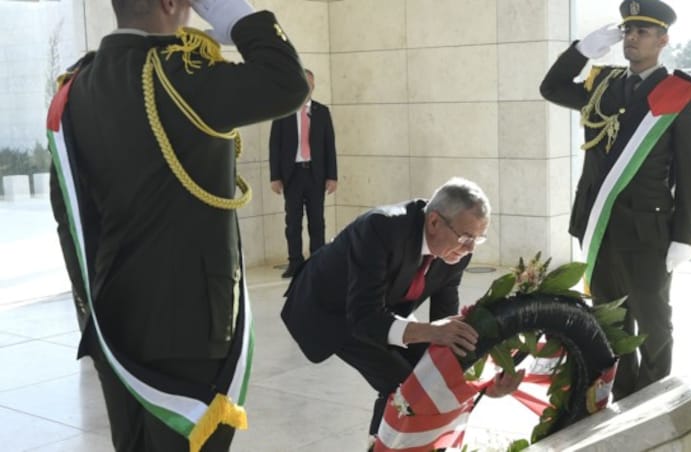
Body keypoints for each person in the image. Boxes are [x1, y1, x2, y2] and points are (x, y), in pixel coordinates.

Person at [48, 0, 309, 449]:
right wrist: (233, 13)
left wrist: (91, 313)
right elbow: (288, 83)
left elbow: (67, 215)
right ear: (172, 3)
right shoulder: (181, 73)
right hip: (190, 321)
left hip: (113, 315)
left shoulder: (76, 88)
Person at [539, 0, 691, 401]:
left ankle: (651, 402)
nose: (632, 38)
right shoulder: (603, 84)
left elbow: (690, 174)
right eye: (628, 31)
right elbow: (551, 88)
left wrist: (683, 236)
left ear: (663, 40)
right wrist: (581, 52)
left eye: (643, 32)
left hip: (648, 232)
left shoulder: (682, 94)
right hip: (599, 226)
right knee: (609, 321)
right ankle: (619, 397)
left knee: (652, 324)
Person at [280, 177, 523, 447]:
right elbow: (364, 318)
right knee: (403, 381)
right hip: (331, 308)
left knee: (421, 371)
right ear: (434, 222)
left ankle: (384, 445)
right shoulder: (381, 227)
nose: (469, 249)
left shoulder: (457, 252)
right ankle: (382, 447)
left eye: (478, 240)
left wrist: (484, 383)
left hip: (381, 306)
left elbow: (445, 329)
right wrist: (430, 332)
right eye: (466, 238)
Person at [269, 69, 338, 278]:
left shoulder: (322, 112)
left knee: (317, 221)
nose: (306, 88)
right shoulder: (283, 111)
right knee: (293, 221)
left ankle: (317, 261)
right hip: (292, 175)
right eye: (303, 83)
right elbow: (275, 145)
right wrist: (275, 176)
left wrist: (332, 176)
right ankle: (295, 262)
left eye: (310, 84)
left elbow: (329, 146)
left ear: (313, 87)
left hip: (316, 174)